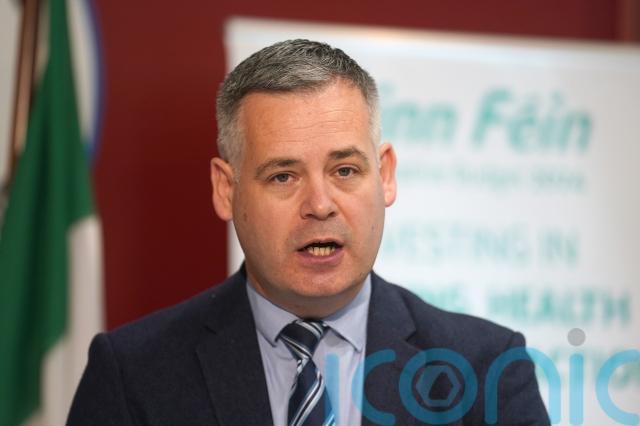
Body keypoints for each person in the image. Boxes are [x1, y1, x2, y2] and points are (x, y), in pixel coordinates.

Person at [68, 39, 549, 425]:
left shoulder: (486, 368)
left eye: (345, 170)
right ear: (226, 189)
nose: (320, 205)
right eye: (283, 176)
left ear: (385, 175)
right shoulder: (133, 374)